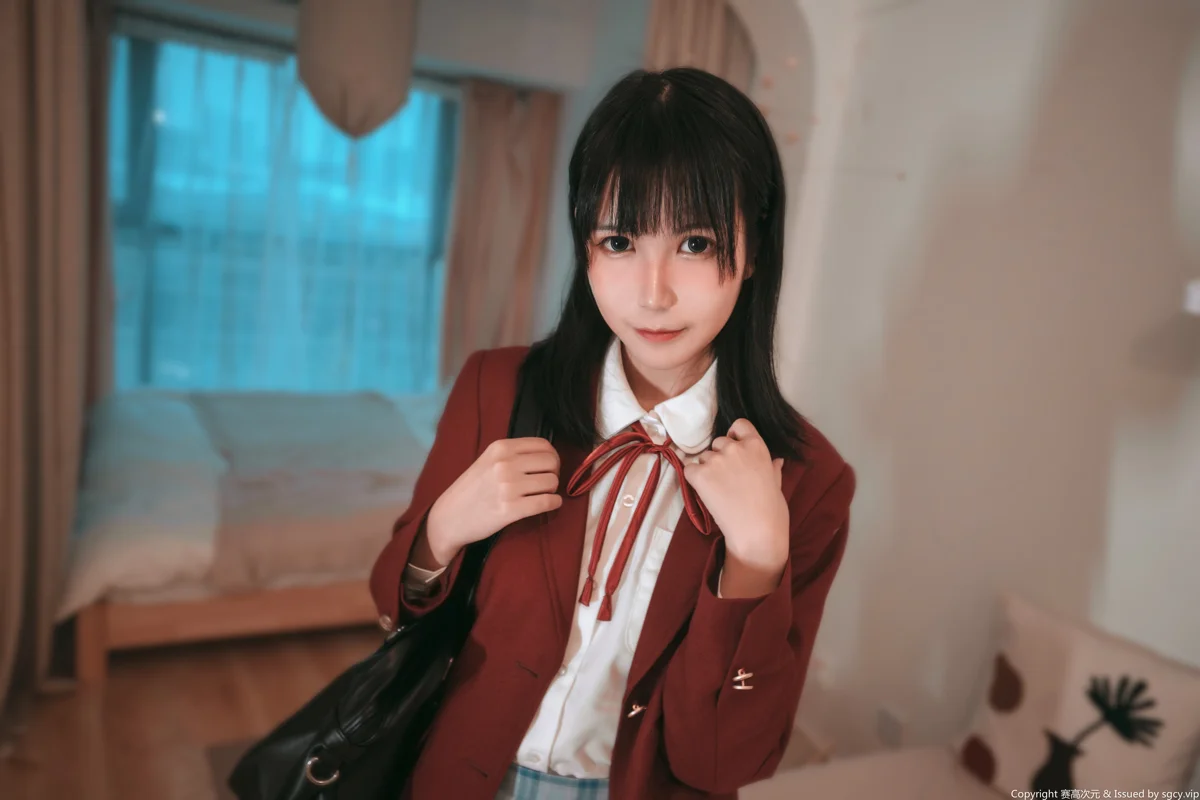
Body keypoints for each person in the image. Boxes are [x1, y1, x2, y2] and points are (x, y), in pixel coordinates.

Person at [369, 66, 856, 800]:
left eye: (695, 243)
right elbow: (391, 601)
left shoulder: (810, 481)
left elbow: (726, 763)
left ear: (754, 249)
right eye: (621, 239)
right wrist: (442, 529)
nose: (652, 294)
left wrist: (756, 562)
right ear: (586, 245)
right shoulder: (497, 387)